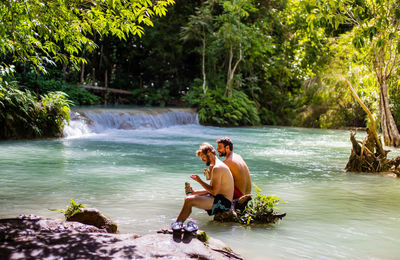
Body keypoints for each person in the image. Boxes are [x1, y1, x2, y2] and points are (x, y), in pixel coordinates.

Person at [171, 142, 234, 231]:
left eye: (203, 157)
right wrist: (194, 192)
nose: (203, 160)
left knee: (189, 200)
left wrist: (200, 181)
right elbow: (212, 189)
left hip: (223, 203)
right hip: (218, 198)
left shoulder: (218, 167)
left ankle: (178, 223)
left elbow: (214, 192)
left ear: (209, 152)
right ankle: (179, 223)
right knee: (190, 196)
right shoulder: (214, 166)